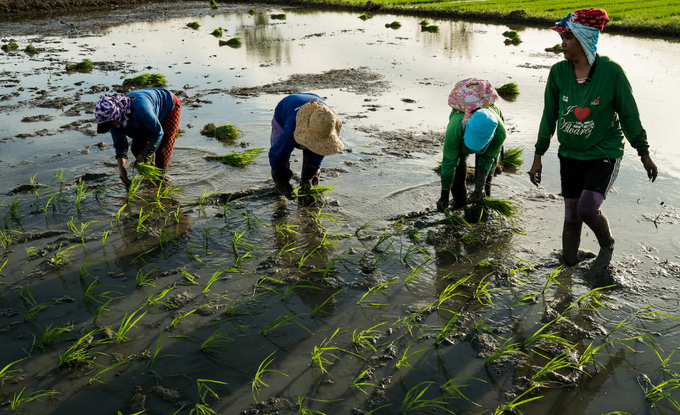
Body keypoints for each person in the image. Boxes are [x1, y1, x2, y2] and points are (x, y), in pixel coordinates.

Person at [527, 8, 658, 281]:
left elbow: (630, 114)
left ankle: (607, 245)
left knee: (587, 208)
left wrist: (644, 153)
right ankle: (569, 263)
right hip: (570, 153)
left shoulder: (611, 73)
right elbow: (548, 116)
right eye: (562, 38)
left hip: (603, 151)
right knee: (572, 216)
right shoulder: (558, 73)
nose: (562, 43)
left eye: (567, 38)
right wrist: (538, 155)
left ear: (585, 40)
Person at [436, 78, 507, 220]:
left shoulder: (499, 133)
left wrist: (479, 188)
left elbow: (486, 160)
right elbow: (449, 163)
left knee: (486, 181)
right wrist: (444, 195)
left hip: (490, 141)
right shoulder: (454, 131)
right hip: (462, 137)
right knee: (457, 176)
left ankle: (482, 205)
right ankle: (460, 205)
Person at [95, 88, 182, 188]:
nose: (110, 127)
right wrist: (121, 169)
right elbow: (120, 147)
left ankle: (161, 181)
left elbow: (158, 132)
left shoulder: (142, 110)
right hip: (145, 116)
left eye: (109, 124)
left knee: (162, 150)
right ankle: (150, 175)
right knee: (136, 149)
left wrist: (144, 155)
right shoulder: (114, 123)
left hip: (169, 106)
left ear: (115, 115)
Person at [269, 93, 343, 204]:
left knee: (310, 179)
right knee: (281, 170)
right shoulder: (291, 129)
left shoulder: (326, 123)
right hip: (285, 111)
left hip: (315, 109)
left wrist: (308, 178)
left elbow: (317, 156)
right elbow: (276, 154)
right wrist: (283, 183)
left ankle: (307, 198)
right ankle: (280, 189)